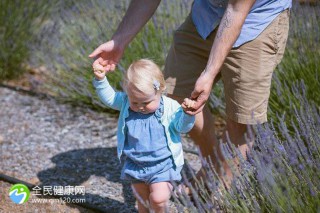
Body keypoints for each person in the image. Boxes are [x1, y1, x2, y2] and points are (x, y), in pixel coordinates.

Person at [89, 0, 291, 188]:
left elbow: (236, 10)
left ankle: (221, 195)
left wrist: (209, 73)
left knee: (241, 119)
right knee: (175, 96)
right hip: (207, 16)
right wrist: (119, 41)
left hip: (256, 24)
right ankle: (212, 166)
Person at [92, 59, 195, 212]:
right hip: (136, 163)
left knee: (158, 199)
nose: (140, 107)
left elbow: (183, 128)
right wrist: (101, 79)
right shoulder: (126, 102)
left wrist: (188, 115)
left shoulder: (170, 107)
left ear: (160, 90)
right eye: (135, 102)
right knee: (142, 200)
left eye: (146, 103)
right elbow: (110, 98)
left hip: (162, 164)